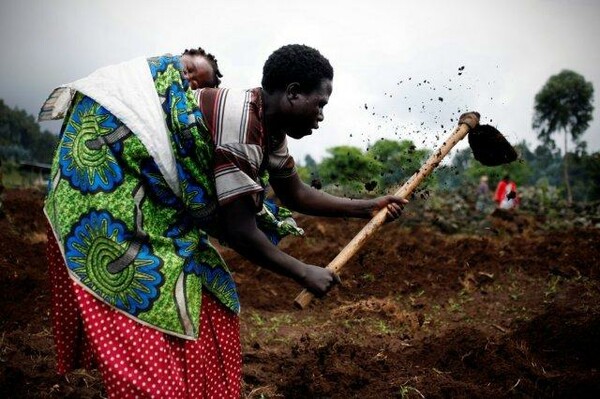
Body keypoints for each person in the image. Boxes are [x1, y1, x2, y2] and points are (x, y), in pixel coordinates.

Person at [40, 44, 410, 398]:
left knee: (210, 292)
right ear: (293, 94)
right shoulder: (242, 129)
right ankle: (149, 386)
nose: (321, 115)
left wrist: (368, 206)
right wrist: (303, 272)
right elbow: (241, 232)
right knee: (141, 283)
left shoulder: (269, 128)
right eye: (320, 104)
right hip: (101, 178)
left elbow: (295, 193)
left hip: (150, 194)